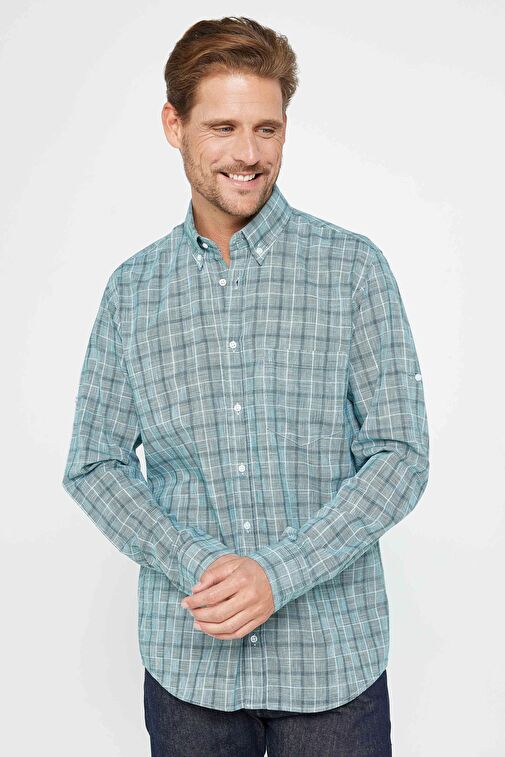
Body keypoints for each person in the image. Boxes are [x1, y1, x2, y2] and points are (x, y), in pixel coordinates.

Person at [62, 15, 430, 757]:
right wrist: (196, 563)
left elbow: (399, 454)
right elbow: (95, 464)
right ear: (174, 125)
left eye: (267, 128)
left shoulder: (352, 270)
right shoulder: (133, 291)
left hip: (332, 668)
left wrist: (277, 573)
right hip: (190, 672)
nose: (248, 153)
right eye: (223, 127)